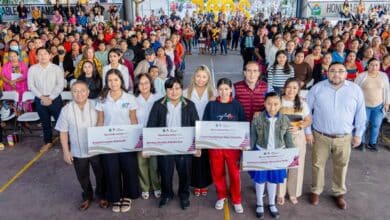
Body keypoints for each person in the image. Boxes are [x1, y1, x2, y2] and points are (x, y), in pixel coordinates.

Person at [306, 62, 366, 210]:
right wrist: (307, 132)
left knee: (341, 166)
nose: (336, 74)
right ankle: (316, 190)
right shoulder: (317, 88)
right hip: (320, 135)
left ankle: (338, 193)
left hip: (344, 137)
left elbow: (360, 113)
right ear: (327, 72)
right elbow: (306, 111)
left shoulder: (355, 90)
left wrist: (358, 134)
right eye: (333, 71)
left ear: (346, 73)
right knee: (317, 165)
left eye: (340, 71)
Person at [147, 77, 199, 210]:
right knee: (165, 172)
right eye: (170, 88)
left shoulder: (190, 105)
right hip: (165, 147)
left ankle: (184, 195)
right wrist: (148, 146)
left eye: (177, 88)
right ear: (165, 90)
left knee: (184, 173)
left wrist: (198, 146)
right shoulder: (158, 105)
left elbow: (196, 125)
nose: (174, 92)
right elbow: (151, 126)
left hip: (184, 147)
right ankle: (167, 194)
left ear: (182, 89)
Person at [55, 81, 108, 211]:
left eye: (82, 90)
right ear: (71, 93)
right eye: (75, 91)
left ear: (88, 92)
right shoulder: (66, 109)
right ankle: (87, 196)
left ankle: (102, 195)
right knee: (82, 176)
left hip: (97, 149)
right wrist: (66, 152)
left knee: (101, 174)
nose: (79, 94)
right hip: (78, 151)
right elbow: (63, 132)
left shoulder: (97, 105)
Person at [96, 69, 140, 213]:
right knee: (111, 169)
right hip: (109, 141)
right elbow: (100, 121)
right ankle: (115, 197)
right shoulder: (102, 99)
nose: (113, 83)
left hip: (127, 140)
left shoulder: (129, 98)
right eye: (110, 80)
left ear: (121, 80)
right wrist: (97, 140)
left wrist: (137, 140)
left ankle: (127, 195)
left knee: (128, 168)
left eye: (116, 79)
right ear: (106, 82)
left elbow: (133, 119)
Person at [249, 92, 296, 219]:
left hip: (277, 155)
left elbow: (288, 140)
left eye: (276, 104)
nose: (272, 107)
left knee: (273, 180)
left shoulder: (285, 119)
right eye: (269, 104)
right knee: (260, 180)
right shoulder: (257, 119)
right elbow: (252, 138)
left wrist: (293, 155)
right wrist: (247, 152)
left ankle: (271, 203)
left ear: (280, 104)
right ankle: (259, 203)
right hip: (261, 153)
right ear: (264, 104)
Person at [203, 78, 246, 214]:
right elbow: (205, 124)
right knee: (217, 172)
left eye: (226, 89)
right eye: (221, 89)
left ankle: (236, 199)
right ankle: (221, 195)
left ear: (231, 90)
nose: (224, 92)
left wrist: (243, 143)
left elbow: (243, 125)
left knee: (234, 173)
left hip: (232, 147)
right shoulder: (211, 105)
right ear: (217, 90)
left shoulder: (237, 105)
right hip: (215, 147)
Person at [277, 78, 312, 205]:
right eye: (289, 87)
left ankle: (293, 193)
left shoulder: (302, 103)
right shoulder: (278, 101)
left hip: (297, 137)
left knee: (295, 165)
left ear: (298, 90)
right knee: (281, 164)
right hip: (280, 137)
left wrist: (299, 127)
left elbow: (308, 120)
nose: (291, 90)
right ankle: (280, 193)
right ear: (284, 87)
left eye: (295, 88)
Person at [183, 65, 215, 197]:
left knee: (205, 158)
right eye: (198, 76)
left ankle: (204, 184)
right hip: (192, 128)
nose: (201, 79)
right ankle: (196, 184)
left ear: (208, 78)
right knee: (194, 158)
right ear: (194, 77)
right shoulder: (186, 92)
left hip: (207, 129)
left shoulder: (213, 92)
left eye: (204, 76)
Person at [28, 47, 64, 152]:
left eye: (45, 54)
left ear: (50, 56)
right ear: (36, 56)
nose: (43, 56)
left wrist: (51, 97)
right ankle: (48, 142)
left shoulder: (57, 68)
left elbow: (60, 85)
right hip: (40, 99)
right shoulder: (32, 69)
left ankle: (64, 141)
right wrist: (42, 97)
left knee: (61, 122)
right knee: (45, 122)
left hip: (55, 99)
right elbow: (31, 86)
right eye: (40, 54)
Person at [133, 73, 162, 200]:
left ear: (151, 84)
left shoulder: (158, 97)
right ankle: (145, 187)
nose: (144, 86)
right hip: (138, 135)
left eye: (146, 83)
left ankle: (156, 186)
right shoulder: (133, 99)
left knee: (155, 164)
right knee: (141, 163)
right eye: (141, 83)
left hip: (154, 136)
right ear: (137, 85)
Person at [355, 58, 390, 151]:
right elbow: (355, 90)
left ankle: (372, 143)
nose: (374, 67)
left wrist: (387, 103)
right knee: (363, 124)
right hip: (364, 106)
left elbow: (387, 90)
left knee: (376, 125)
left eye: (376, 65)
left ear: (379, 66)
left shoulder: (383, 76)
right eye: (372, 65)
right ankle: (360, 142)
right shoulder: (362, 76)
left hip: (379, 106)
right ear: (368, 65)